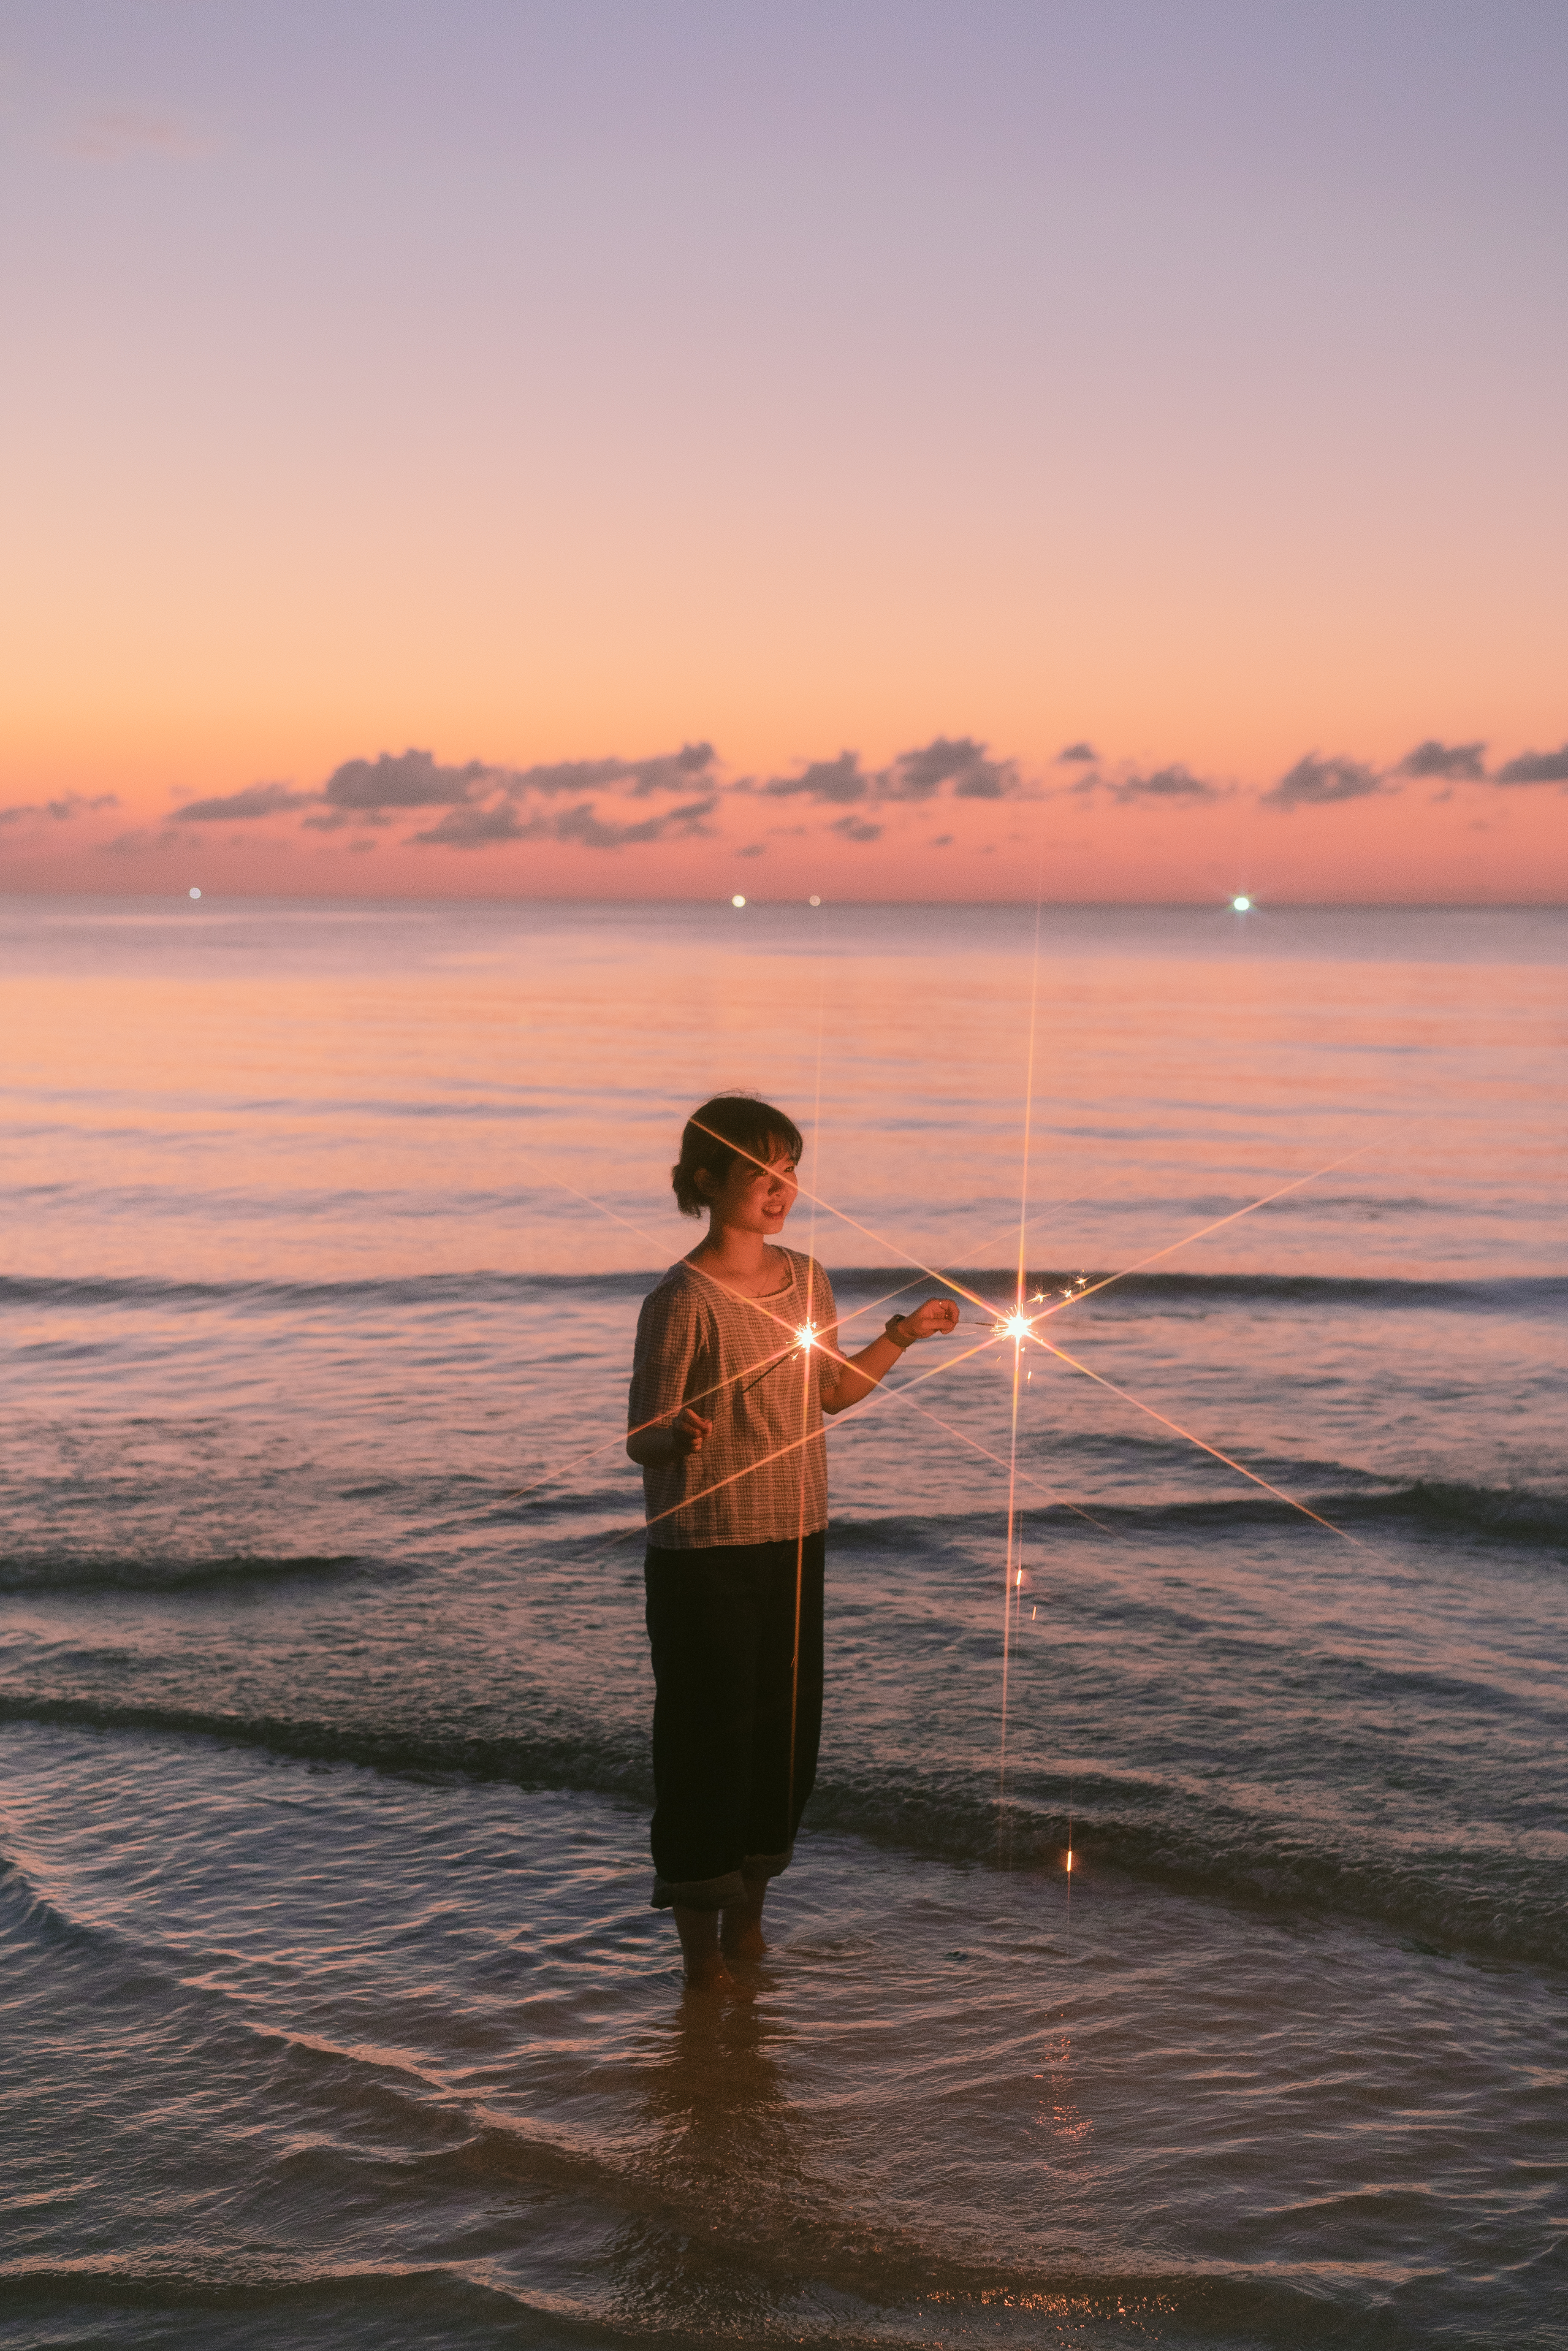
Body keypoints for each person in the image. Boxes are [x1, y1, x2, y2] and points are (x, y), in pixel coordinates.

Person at [627, 1093, 957, 1989]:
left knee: (783, 1740)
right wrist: (677, 1435)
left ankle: (751, 1928)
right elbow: (640, 1435)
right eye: (759, 1174)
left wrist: (903, 1334)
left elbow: (831, 1393)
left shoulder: (809, 1278)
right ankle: (701, 1957)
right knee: (705, 1744)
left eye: (790, 1172)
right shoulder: (679, 1300)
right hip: (703, 1551)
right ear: (709, 1181)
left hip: (797, 1537)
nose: (781, 1190)